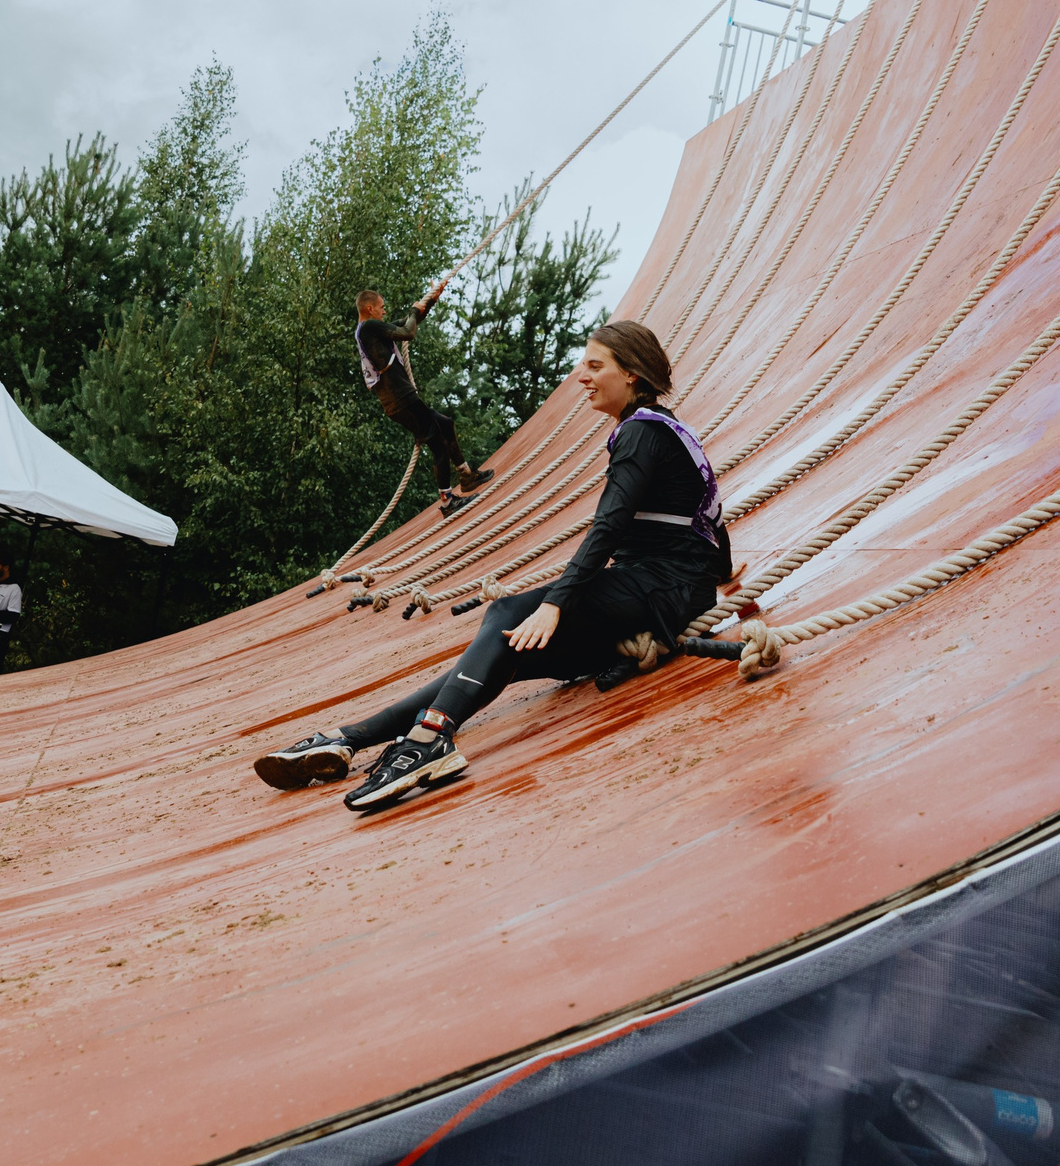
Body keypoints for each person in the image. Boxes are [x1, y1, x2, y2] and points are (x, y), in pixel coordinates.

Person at [255, 319, 732, 810]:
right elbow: (708, 516)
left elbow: (608, 526)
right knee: (503, 654)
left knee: (507, 614)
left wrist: (554, 605)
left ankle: (428, 742)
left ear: (631, 373)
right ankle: (350, 737)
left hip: (661, 588)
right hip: (669, 588)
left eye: (594, 366)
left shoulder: (640, 433)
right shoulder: (665, 428)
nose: (581, 376)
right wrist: (720, 575)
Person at [355, 289, 492, 516]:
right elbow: (407, 332)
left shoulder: (370, 330)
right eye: (381, 307)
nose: (384, 311)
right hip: (400, 399)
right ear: (370, 308)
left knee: (445, 424)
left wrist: (430, 301)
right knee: (438, 444)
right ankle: (447, 502)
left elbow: (408, 322)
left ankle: (466, 475)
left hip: (401, 399)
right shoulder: (369, 327)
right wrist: (413, 311)